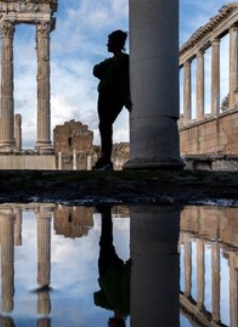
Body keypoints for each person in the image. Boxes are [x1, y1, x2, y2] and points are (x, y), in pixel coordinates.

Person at [92, 30, 132, 171]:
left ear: (116, 43)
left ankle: (106, 159)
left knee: (105, 125)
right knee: (104, 126)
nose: (107, 44)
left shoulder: (124, 60)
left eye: (109, 41)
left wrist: (126, 100)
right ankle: (104, 158)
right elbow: (95, 70)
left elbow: (124, 82)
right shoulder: (111, 61)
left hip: (113, 98)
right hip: (104, 96)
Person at [93, 206, 130, 327]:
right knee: (105, 243)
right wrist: (128, 266)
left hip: (108, 272)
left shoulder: (115, 307)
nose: (108, 325)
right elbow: (125, 285)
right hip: (111, 271)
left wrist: (109, 304)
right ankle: (106, 214)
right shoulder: (124, 308)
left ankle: (106, 214)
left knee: (105, 243)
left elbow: (97, 298)